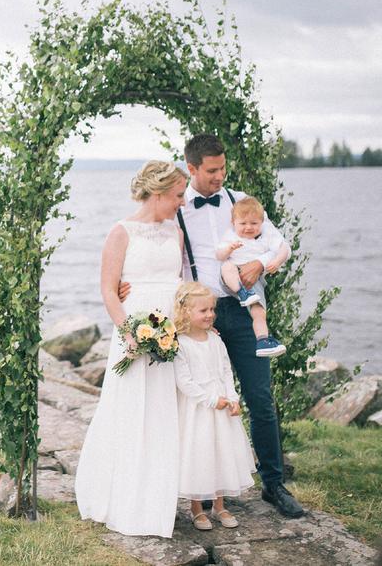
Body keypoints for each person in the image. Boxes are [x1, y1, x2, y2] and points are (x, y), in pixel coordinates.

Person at [119, 133, 304, 519]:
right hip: (198, 317)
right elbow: (156, 254)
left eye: (223, 168)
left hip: (243, 309)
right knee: (197, 402)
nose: (220, 176)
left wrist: (264, 265)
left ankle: (273, 484)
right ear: (192, 169)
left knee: (259, 397)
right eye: (212, 170)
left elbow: (276, 244)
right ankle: (196, 491)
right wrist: (127, 285)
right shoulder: (178, 209)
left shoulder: (242, 203)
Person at [75, 159, 187, 538]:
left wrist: (182, 328)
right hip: (133, 335)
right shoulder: (121, 232)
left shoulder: (176, 231)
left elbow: (178, 282)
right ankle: (120, 497)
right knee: (129, 411)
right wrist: (131, 332)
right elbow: (109, 289)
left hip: (171, 333)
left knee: (164, 414)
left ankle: (157, 501)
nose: (182, 202)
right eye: (177, 195)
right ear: (158, 193)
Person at [172, 281, 256, 530]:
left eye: (212, 309)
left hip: (222, 406)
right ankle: (197, 509)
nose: (210, 315)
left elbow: (225, 371)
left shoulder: (215, 340)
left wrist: (232, 398)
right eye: (203, 311)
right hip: (199, 409)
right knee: (200, 455)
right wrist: (210, 400)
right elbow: (183, 381)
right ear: (186, 312)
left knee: (221, 453)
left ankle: (220, 505)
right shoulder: (181, 343)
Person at [216, 196, 289, 357]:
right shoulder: (231, 235)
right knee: (227, 266)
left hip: (254, 279)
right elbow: (219, 255)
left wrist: (276, 262)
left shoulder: (266, 236)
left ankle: (262, 340)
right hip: (232, 276)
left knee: (259, 311)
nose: (248, 227)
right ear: (234, 223)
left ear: (262, 223)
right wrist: (229, 249)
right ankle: (242, 292)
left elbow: (284, 248)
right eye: (243, 223)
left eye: (254, 223)